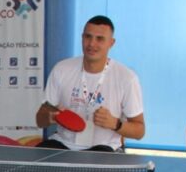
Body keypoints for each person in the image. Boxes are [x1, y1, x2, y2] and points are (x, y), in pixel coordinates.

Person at [36, 15, 145, 152]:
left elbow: (140, 131)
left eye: (99, 39)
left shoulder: (127, 78)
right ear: (82, 38)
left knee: (100, 157)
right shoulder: (61, 69)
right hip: (63, 145)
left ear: (111, 43)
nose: (92, 44)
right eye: (88, 37)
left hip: (103, 149)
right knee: (31, 167)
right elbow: (39, 121)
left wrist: (116, 124)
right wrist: (50, 117)